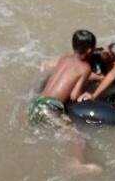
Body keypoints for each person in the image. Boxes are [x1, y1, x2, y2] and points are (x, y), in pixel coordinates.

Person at [29, 30, 103, 171]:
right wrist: (87, 92)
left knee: (55, 132)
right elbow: (74, 95)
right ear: (90, 50)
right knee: (77, 136)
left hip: (37, 103)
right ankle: (78, 164)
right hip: (49, 108)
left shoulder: (64, 59)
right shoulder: (85, 68)